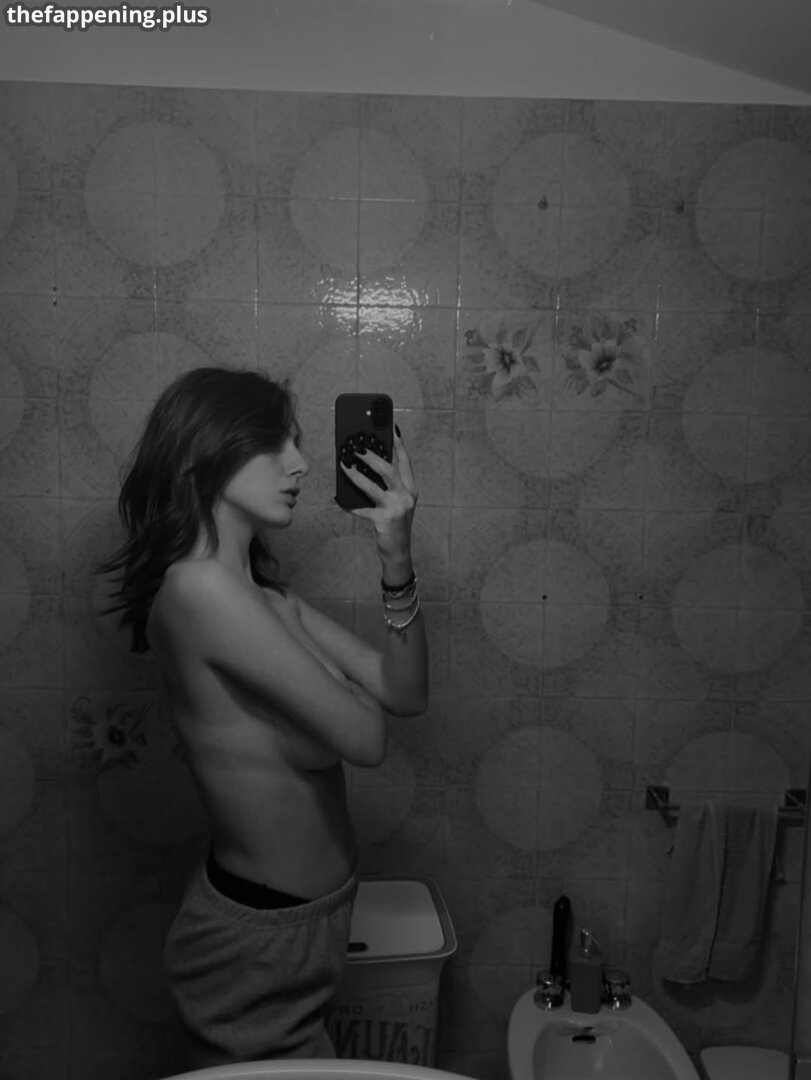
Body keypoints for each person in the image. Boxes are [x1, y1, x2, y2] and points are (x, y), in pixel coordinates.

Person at [98, 366, 428, 1067]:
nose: (300, 463)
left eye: (298, 442)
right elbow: (368, 738)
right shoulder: (198, 590)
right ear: (205, 450)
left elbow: (403, 693)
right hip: (255, 943)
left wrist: (395, 554)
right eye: (275, 441)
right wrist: (344, 690)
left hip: (304, 927)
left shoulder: (271, 603)